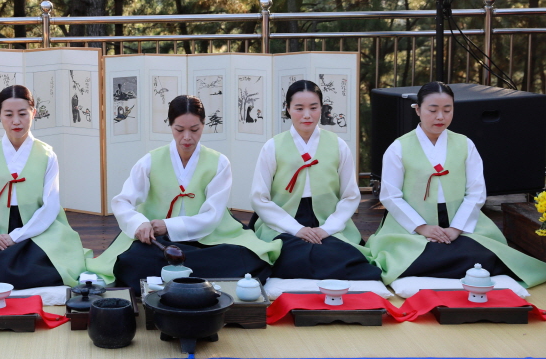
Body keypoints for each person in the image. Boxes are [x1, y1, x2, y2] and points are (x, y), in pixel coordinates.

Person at [87, 95, 281, 293]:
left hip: (209, 238)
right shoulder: (150, 161)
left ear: (203, 125)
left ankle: (171, 278)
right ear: (170, 126)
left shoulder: (219, 163)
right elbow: (122, 201)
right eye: (179, 130)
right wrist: (139, 223)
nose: (187, 137)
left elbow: (212, 216)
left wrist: (168, 225)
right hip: (159, 242)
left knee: (245, 257)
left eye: (194, 129)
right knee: (132, 259)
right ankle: (195, 278)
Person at [367, 82, 546, 286]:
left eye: (447, 110)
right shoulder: (398, 147)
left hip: (461, 221)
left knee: (484, 255)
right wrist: (423, 227)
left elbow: (476, 193)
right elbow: (390, 196)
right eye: (432, 110)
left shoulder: (465, 144)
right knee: (408, 258)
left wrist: (456, 228)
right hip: (412, 224)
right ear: (417, 109)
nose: (440, 117)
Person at [0, 85, 88, 289]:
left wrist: (15, 237)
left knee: (53, 267)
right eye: (8, 114)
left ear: (33, 113)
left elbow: (50, 206)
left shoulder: (47, 155)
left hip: (36, 229)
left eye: (23, 114)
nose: (16, 121)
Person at [250, 80, 381, 280]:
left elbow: (350, 196)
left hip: (328, 220)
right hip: (282, 221)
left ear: (321, 108)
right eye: (299, 108)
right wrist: (297, 229)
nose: (307, 115)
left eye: (313, 108)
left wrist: (326, 229)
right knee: (291, 254)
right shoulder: (272, 146)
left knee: (336, 253)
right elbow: (260, 198)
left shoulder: (338, 145)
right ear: (287, 109)